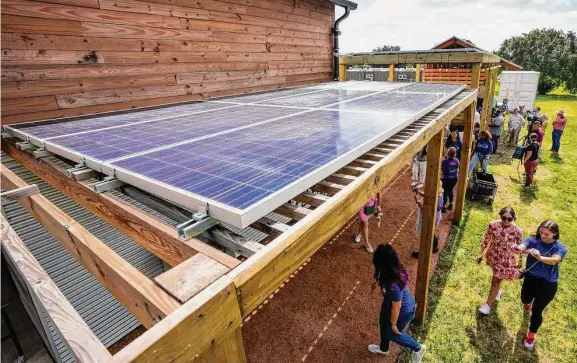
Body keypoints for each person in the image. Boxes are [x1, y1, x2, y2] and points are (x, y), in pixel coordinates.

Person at [368, 244, 427, 362]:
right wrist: (376, 283)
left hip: (402, 311)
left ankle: (418, 348)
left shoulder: (394, 285)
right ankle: (384, 349)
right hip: (389, 303)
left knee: (392, 333)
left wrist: (394, 324)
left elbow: (397, 307)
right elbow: (381, 278)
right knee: (383, 323)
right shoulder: (387, 270)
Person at [516, 220, 567, 349]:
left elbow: (555, 260)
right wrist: (518, 249)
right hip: (531, 278)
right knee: (524, 299)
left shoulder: (560, 247)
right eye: (541, 232)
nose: (543, 236)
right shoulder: (533, 239)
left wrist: (540, 257)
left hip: (548, 283)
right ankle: (528, 303)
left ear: (555, 234)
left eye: (547, 234)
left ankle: (531, 335)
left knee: (537, 310)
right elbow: (523, 245)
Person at [477, 207, 523, 315]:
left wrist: (520, 260)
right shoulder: (493, 225)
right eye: (504, 218)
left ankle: (487, 306)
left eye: (509, 219)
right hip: (493, 255)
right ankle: (498, 291)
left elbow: (521, 247)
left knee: (495, 280)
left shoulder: (517, 231)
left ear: (513, 218)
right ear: (500, 216)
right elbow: (486, 239)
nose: (506, 221)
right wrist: (480, 253)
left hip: (505, 260)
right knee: (497, 278)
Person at [411, 185, 442, 258]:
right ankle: (435, 246)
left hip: (431, 218)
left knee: (425, 234)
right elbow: (427, 195)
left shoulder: (434, 200)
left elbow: (425, 211)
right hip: (436, 217)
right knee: (431, 231)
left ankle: (422, 253)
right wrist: (418, 191)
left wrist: (417, 201)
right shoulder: (439, 195)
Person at [441, 147, 459, 213]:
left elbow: (441, 168)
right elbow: (456, 166)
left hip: (446, 179)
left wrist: (446, 159)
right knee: (450, 190)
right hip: (454, 179)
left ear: (448, 153)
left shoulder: (444, 162)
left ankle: (443, 207)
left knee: (445, 192)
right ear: (454, 154)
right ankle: (451, 204)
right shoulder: (457, 160)